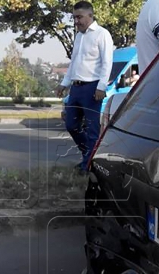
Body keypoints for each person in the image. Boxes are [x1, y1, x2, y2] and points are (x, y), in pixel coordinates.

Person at [56, 1, 114, 172]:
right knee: (71, 125)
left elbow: (107, 62)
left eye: (79, 17)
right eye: (74, 17)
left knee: (92, 130)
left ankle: (88, 167)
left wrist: (101, 87)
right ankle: (89, 156)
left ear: (90, 15)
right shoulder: (79, 36)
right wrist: (64, 83)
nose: (76, 21)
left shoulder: (102, 34)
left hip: (92, 88)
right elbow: (74, 63)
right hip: (76, 88)